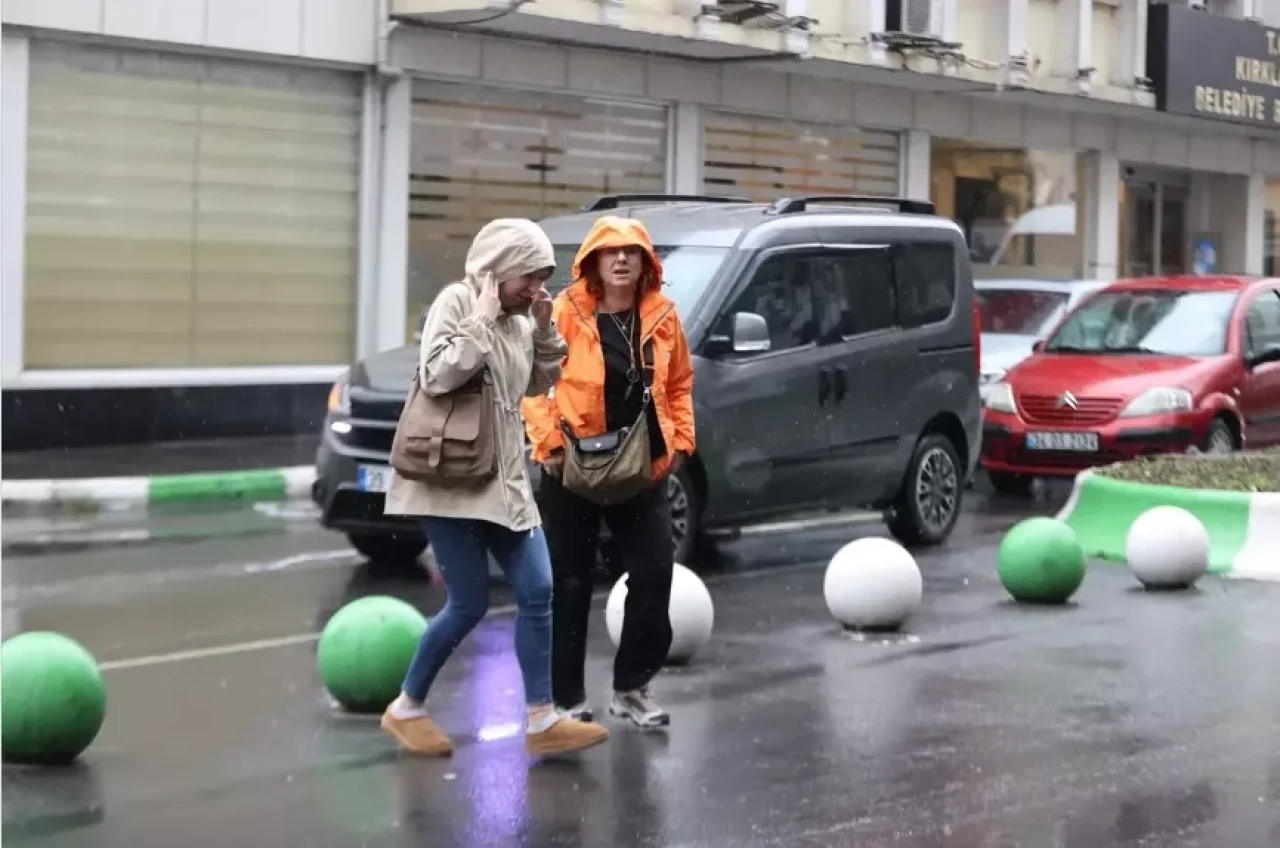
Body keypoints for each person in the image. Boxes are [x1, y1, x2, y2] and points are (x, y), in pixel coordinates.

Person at [380, 218, 610, 758]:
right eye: (527, 277)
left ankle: (541, 719)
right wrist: (480, 323)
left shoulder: (520, 318)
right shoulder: (459, 303)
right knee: (468, 603)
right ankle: (406, 706)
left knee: (538, 589)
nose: (535, 288)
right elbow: (437, 376)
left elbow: (536, 382)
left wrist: (546, 327)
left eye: (541, 277)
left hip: (504, 479)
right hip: (454, 480)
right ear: (497, 271)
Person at [522, 216, 696, 729]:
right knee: (569, 583)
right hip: (571, 468)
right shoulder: (563, 312)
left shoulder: (663, 316)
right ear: (593, 261)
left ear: (646, 263)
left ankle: (632, 687)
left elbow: (681, 383)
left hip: (641, 467)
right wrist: (549, 444)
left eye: (631, 252)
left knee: (653, 574)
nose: (621, 260)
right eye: (610, 252)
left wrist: (682, 440)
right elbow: (533, 382)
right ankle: (566, 698)